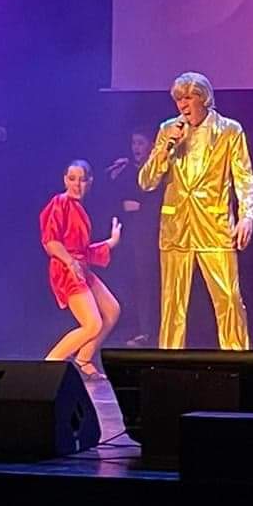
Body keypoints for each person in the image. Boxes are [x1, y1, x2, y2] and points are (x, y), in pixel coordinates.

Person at [137, 71, 253, 349]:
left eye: (189, 98)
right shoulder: (168, 129)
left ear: (204, 98)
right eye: (179, 99)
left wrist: (247, 215)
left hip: (214, 224)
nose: (183, 105)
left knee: (228, 297)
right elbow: (146, 182)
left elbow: (244, 177)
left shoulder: (229, 130)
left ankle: (237, 359)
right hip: (176, 226)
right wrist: (166, 147)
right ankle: (169, 361)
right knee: (172, 302)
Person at [39, 160, 122, 380]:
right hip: (65, 270)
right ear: (65, 180)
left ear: (90, 182)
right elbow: (50, 242)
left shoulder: (79, 208)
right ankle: (49, 365)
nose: (77, 185)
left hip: (79, 267)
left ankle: (84, 359)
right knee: (92, 324)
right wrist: (69, 261)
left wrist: (111, 242)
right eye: (72, 179)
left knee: (112, 310)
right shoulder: (60, 203)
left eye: (82, 180)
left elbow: (83, 252)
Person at [106, 130, 159, 346]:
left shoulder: (158, 171)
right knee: (129, 280)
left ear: (152, 145)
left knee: (146, 282)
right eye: (133, 143)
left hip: (148, 236)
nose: (136, 148)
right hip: (128, 236)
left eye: (140, 143)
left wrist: (142, 208)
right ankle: (132, 326)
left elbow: (163, 203)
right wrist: (113, 179)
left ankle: (147, 331)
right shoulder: (126, 169)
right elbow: (114, 199)